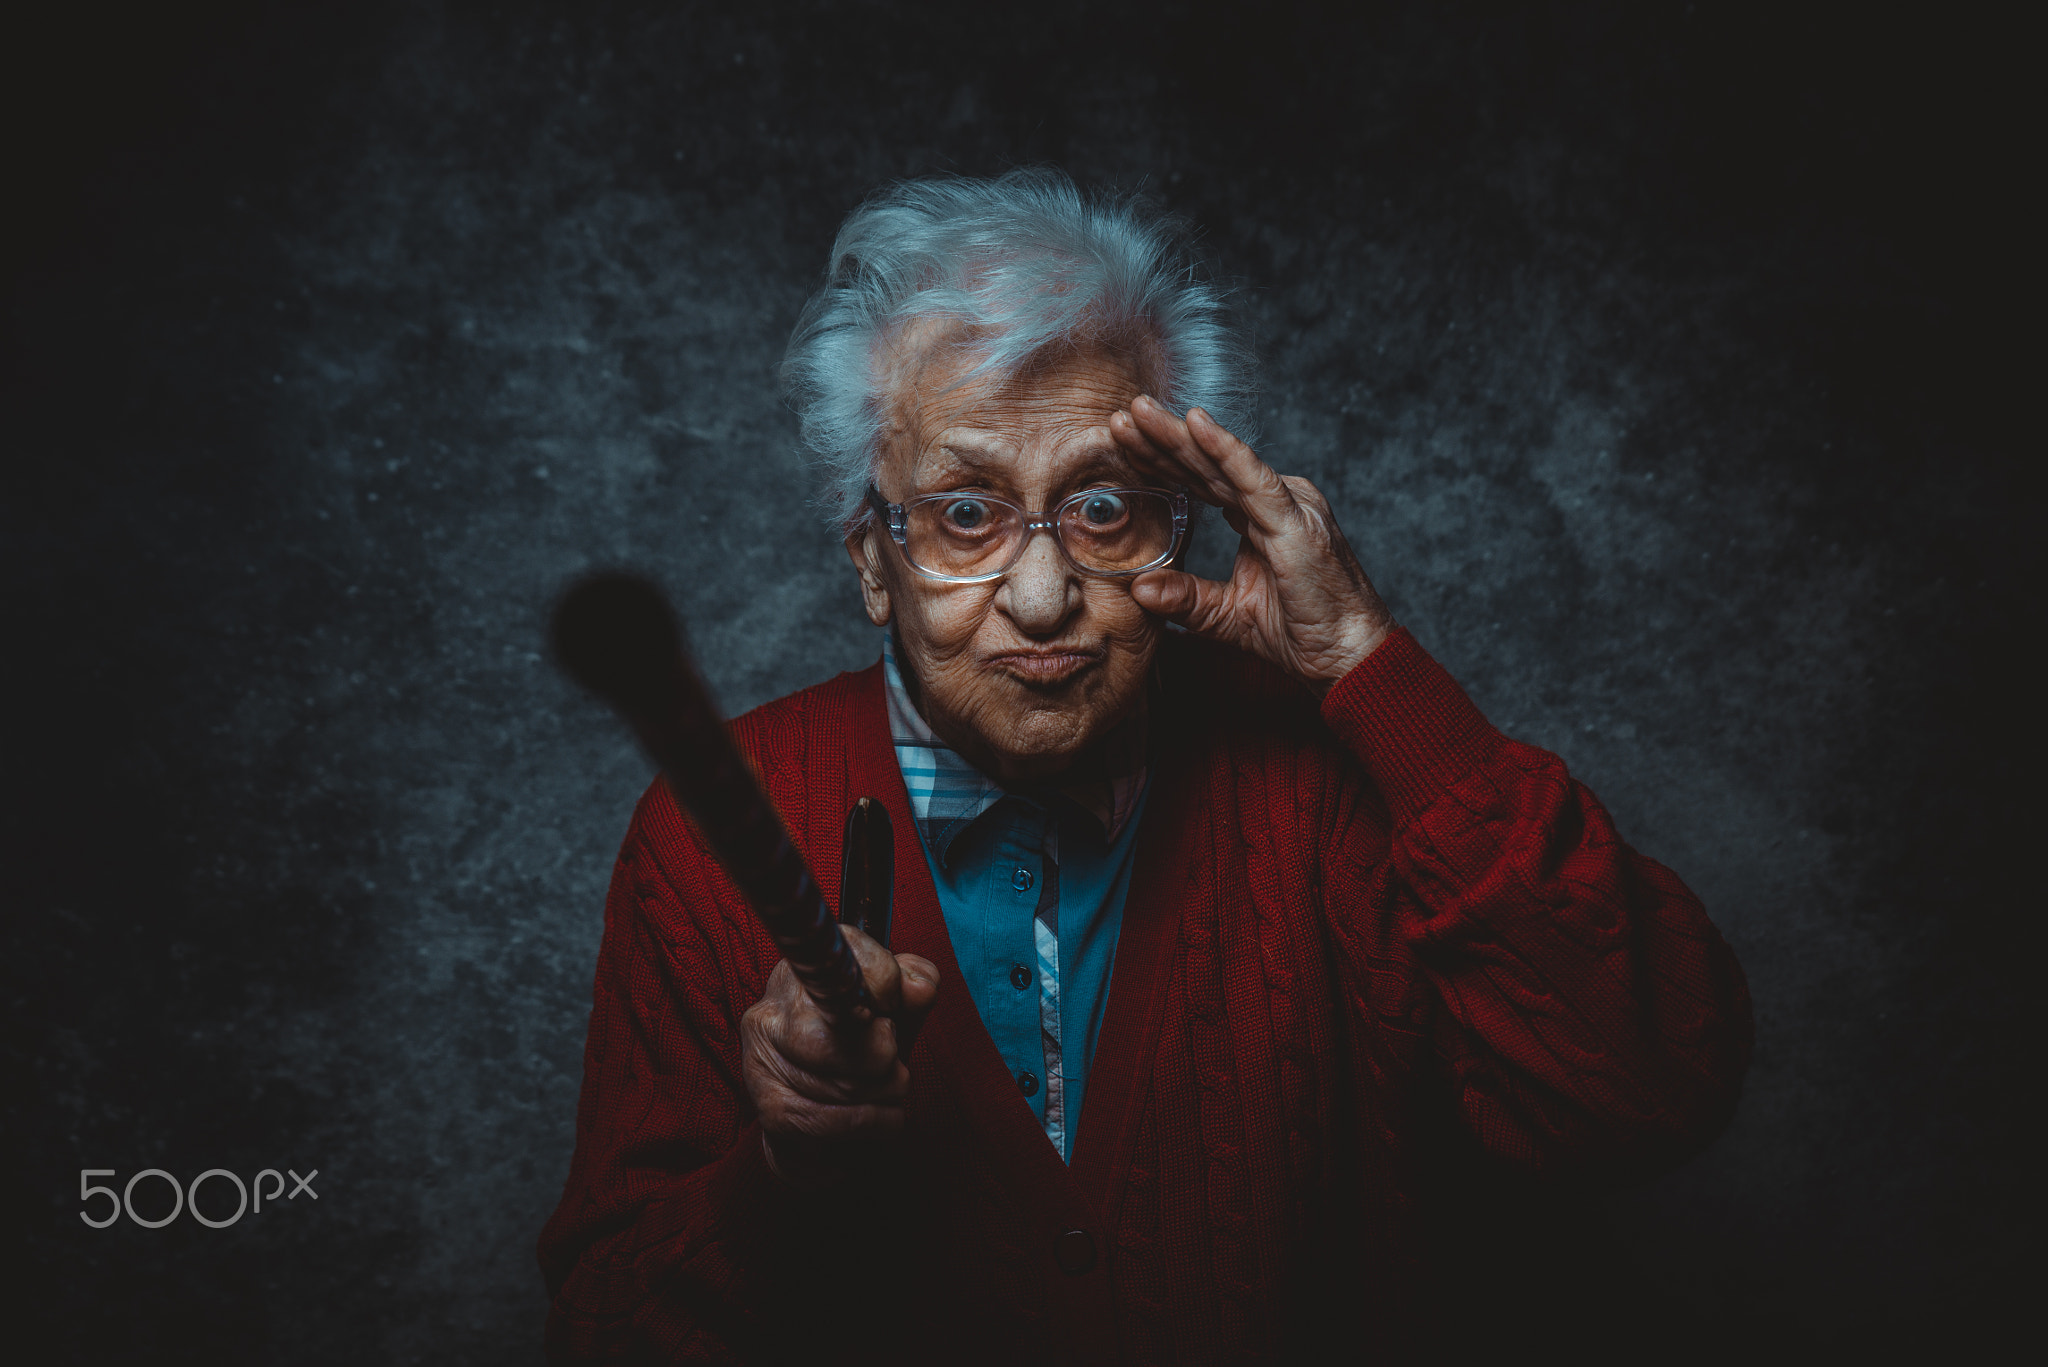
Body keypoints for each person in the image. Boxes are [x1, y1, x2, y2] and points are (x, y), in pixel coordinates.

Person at [537, 169, 1752, 1364]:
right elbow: (608, 1327)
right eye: (964, 513)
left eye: (1105, 506)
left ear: (1188, 516)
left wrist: (1369, 672)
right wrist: (779, 1174)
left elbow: (1642, 1091)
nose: (1041, 591)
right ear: (870, 559)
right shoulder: (707, 833)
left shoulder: (1321, 779)